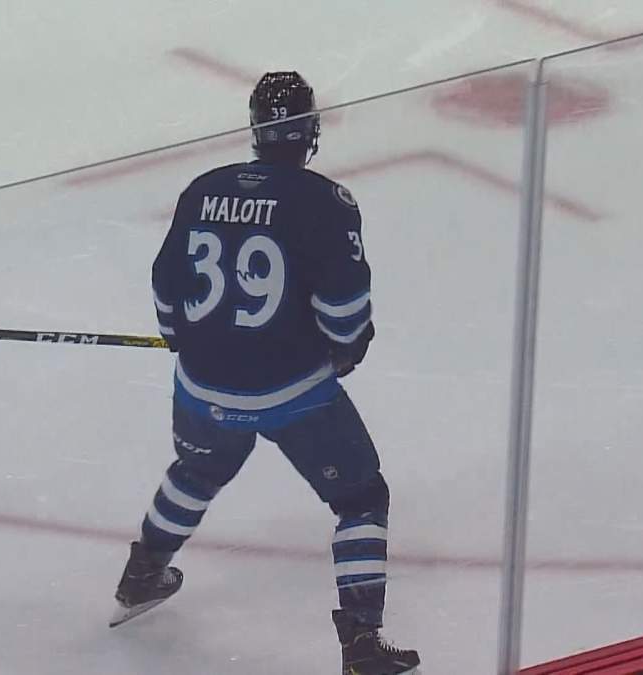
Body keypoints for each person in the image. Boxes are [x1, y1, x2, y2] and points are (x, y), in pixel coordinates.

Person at [110, 72, 420, 675]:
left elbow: (166, 283)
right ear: (310, 131)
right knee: (360, 498)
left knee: (197, 470)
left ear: (255, 128)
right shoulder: (326, 201)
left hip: (201, 386)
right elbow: (344, 305)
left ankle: (142, 574)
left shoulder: (203, 189)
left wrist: (178, 333)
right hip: (293, 392)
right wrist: (348, 349)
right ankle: (359, 641)